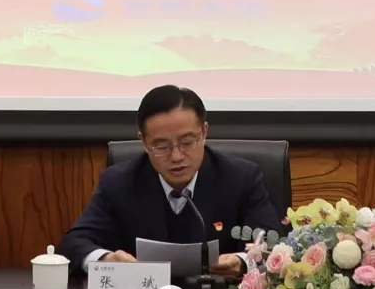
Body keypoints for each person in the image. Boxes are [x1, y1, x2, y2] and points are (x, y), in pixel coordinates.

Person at [58, 85, 283, 277]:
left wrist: (242, 261)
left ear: (204, 132)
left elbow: (273, 243)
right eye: (161, 146)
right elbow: (73, 244)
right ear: (144, 142)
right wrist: (106, 260)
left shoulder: (240, 178)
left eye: (187, 142)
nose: (176, 156)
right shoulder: (118, 183)